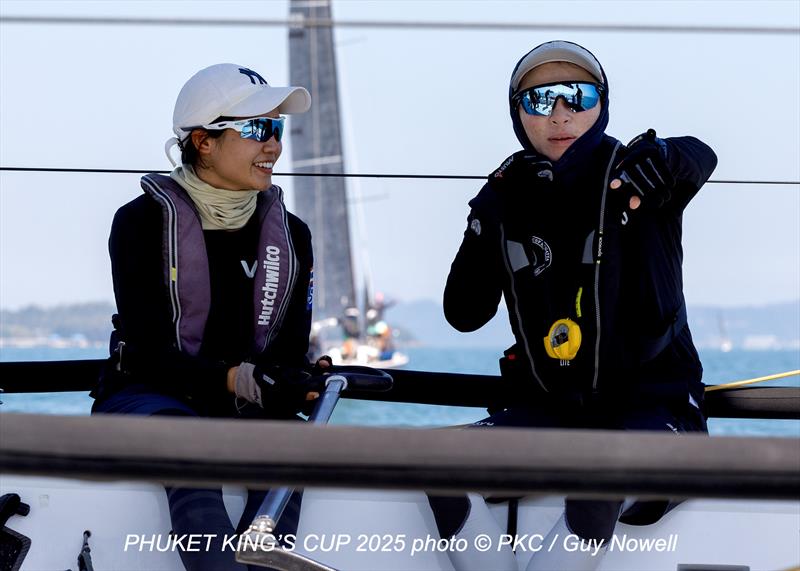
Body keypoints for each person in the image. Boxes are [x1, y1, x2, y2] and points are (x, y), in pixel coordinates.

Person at [429, 40, 717, 571]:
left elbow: (701, 154)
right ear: (516, 112)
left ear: (602, 104)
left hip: (657, 411)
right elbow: (463, 314)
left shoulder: (640, 173)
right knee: (431, 463)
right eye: (539, 101)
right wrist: (484, 219)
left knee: (596, 483)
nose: (560, 114)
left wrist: (665, 158)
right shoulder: (505, 194)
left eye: (577, 96)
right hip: (552, 414)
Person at [91, 63, 327, 570]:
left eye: (277, 129)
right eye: (257, 129)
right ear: (203, 141)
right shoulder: (139, 224)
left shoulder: (294, 235)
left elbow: (287, 349)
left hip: (244, 404)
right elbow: (152, 354)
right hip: (147, 396)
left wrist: (295, 378)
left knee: (291, 451)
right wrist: (235, 378)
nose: (274, 146)